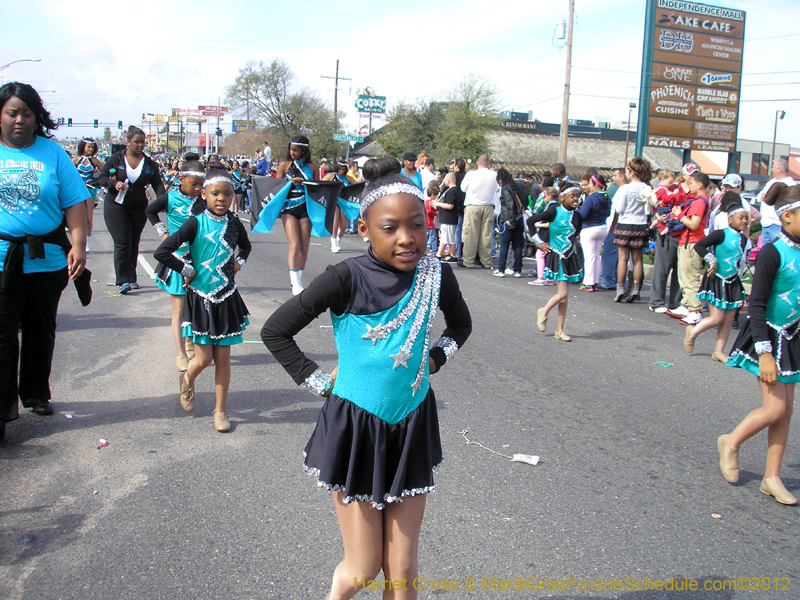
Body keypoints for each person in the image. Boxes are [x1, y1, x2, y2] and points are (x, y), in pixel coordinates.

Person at [261, 156, 472, 600]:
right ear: (364, 230)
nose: (407, 238)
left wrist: (434, 359)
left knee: (403, 566)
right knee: (362, 569)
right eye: (390, 227)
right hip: (356, 428)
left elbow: (460, 326)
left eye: (417, 225)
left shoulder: (436, 273)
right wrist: (320, 383)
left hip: (411, 423)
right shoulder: (346, 277)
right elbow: (275, 331)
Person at [0, 82, 88, 438]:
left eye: (27, 113)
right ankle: (3, 411)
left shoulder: (53, 154)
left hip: (47, 258)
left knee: (40, 330)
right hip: (2, 258)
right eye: (12, 112)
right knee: (3, 336)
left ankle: (36, 393)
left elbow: (74, 205)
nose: (20, 120)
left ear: (37, 118)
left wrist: (78, 245)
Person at [154, 169, 251, 433]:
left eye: (227, 194)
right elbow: (163, 251)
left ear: (233, 196)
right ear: (204, 194)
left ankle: (220, 410)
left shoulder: (234, 223)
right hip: (200, 299)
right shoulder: (194, 223)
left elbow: (246, 246)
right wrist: (186, 269)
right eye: (215, 193)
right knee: (203, 358)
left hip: (227, 298)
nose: (221, 198)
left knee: (223, 359)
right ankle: (187, 379)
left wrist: (239, 263)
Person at [720, 183, 800, 506]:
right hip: (767, 339)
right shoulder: (772, 252)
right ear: (788, 216)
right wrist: (764, 353)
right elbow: (756, 305)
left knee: (785, 412)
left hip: (793, 339)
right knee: (774, 407)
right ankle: (731, 441)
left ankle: (771, 477)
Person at [146, 153, 205, 372]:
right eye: (194, 184)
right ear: (181, 179)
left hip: (199, 261)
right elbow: (150, 211)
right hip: (177, 260)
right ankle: (180, 352)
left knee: (196, 304)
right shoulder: (169, 198)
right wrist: (162, 232)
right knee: (179, 307)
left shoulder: (204, 199)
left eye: (201, 184)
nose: (198, 188)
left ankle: (191, 342)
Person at [98, 126, 166, 294]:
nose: (140, 145)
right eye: (136, 142)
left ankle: (131, 277)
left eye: (143, 142)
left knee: (133, 242)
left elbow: (157, 184)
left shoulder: (149, 164)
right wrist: (114, 183)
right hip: (116, 205)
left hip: (138, 207)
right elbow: (102, 178)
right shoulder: (116, 159)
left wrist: (163, 201)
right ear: (128, 142)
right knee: (122, 241)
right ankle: (122, 280)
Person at [684, 196, 749, 362]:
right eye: (740, 218)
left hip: (732, 281)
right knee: (717, 318)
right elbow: (700, 246)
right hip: (716, 279)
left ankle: (718, 351)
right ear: (730, 219)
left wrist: (739, 278)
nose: (744, 221)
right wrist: (711, 260)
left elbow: (740, 261)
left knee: (727, 320)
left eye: (746, 218)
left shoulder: (744, 240)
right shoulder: (721, 234)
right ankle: (693, 331)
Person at [528, 182, 583, 342]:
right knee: (563, 293)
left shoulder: (578, 216)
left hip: (569, 256)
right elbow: (530, 221)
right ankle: (543, 311)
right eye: (571, 196)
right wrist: (539, 242)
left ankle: (559, 330)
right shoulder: (554, 211)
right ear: (562, 197)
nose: (575, 199)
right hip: (556, 255)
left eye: (577, 196)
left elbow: (574, 235)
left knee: (564, 297)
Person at [275, 135, 319, 295]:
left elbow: (317, 188)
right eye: (291, 149)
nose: (292, 152)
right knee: (294, 244)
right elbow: (275, 187)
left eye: (296, 150)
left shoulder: (313, 167)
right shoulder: (284, 165)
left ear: (304, 151)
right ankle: (295, 283)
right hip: (289, 208)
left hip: (306, 209)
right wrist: (290, 183)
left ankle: (298, 277)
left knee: (304, 246)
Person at [670, 170, 712, 325]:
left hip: (692, 242)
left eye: (692, 183)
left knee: (690, 278)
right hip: (687, 241)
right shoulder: (699, 200)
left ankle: (695, 310)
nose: (690, 185)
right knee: (683, 276)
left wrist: (680, 215)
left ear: (700, 184)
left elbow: (694, 224)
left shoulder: (700, 202)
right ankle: (686, 305)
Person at [610, 157, 653, 302]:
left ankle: (620, 288)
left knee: (623, 259)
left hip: (625, 223)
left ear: (631, 172)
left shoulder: (625, 188)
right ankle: (635, 288)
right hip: (641, 224)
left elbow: (620, 208)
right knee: (637, 260)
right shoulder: (647, 188)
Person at [648, 169, 682, 313]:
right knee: (662, 268)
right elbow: (658, 202)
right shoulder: (661, 190)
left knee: (678, 270)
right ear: (662, 179)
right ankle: (656, 302)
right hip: (665, 215)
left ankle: (675, 303)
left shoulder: (671, 189)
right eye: (669, 181)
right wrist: (673, 196)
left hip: (678, 227)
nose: (672, 183)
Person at [460, 155, 497, 269]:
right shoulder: (494, 175)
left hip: (473, 205)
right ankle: (486, 261)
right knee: (486, 235)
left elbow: (463, 188)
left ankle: (468, 260)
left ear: (477, 163)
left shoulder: (471, 174)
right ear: (488, 163)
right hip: (488, 206)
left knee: (471, 234)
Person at [577, 174, 611, 291]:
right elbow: (608, 213)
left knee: (589, 257)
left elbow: (583, 214)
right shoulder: (607, 197)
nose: (589, 186)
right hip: (602, 227)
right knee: (596, 256)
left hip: (589, 228)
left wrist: (577, 210)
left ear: (596, 184)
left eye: (591, 183)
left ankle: (588, 283)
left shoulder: (592, 198)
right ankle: (595, 281)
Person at [72, 137, 104, 252]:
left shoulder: (94, 161)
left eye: (92, 147)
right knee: (77, 216)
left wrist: (97, 179)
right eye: (88, 147)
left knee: (89, 217)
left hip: (90, 190)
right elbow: (66, 173)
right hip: (77, 191)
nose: (90, 149)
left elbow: (104, 172)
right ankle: (77, 242)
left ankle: (87, 242)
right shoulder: (75, 160)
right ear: (83, 147)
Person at [493, 167, 525, 278]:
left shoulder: (506, 189)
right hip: (519, 218)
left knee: (504, 246)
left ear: (500, 179)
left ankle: (501, 269)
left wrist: (509, 221)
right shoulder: (518, 187)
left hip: (508, 219)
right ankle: (517, 270)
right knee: (517, 246)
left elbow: (510, 205)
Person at [757, 159, 795, 246]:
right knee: (765, 253)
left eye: (773, 167)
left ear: (779, 169)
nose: (771, 170)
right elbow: (759, 197)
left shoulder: (790, 184)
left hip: (777, 225)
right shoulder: (771, 182)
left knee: (776, 251)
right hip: (765, 224)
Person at [599, 168, 625, 290]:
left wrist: (612, 227)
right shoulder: (620, 190)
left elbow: (617, 211)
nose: (613, 178)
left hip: (615, 228)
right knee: (617, 255)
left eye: (615, 175)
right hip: (619, 227)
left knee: (609, 254)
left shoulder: (622, 190)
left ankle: (608, 281)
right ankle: (615, 280)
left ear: (622, 177)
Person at [528, 183, 558, 286]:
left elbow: (552, 224)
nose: (543, 197)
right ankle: (548, 277)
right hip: (552, 234)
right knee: (548, 254)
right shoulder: (556, 207)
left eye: (544, 195)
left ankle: (541, 278)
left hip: (546, 234)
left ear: (549, 196)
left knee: (540, 254)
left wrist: (539, 225)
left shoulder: (551, 208)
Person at [434, 173, 458, 262]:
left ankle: (438, 254)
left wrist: (438, 204)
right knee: (450, 238)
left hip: (448, 218)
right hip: (448, 218)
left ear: (447, 180)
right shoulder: (450, 190)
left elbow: (450, 205)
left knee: (445, 237)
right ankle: (453, 255)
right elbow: (439, 189)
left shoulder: (452, 191)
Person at [424, 181, 439, 254]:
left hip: (428, 222)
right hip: (430, 223)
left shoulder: (427, 202)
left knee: (430, 237)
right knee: (432, 237)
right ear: (432, 195)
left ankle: (429, 249)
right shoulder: (429, 202)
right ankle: (433, 250)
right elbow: (429, 211)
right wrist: (435, 213)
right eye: (436, 195)